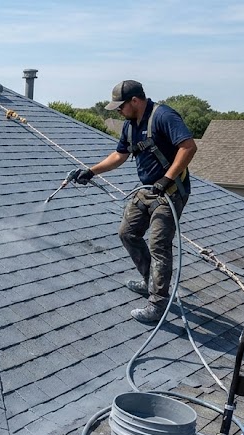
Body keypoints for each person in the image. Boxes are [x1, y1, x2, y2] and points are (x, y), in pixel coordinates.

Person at [72, 80, 197, 324]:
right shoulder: (130, 125)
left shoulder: (163, 116)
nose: (119, 111)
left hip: (171, 192)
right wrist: (91, 171)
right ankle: (149, 280)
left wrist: (167, 178)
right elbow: (120, 155)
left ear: (135, 101)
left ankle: (158, 303)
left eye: (121, 106)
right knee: (127, 233)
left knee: (159, 245)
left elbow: (188, 147)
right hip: (147, 191)